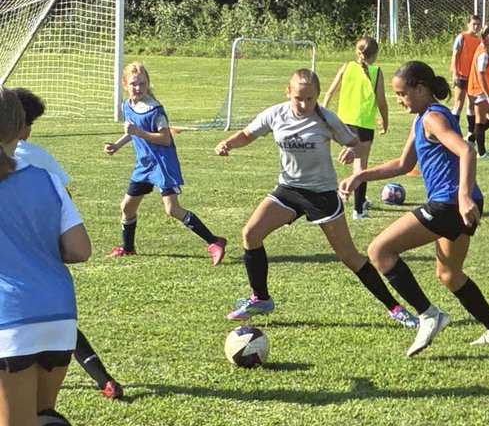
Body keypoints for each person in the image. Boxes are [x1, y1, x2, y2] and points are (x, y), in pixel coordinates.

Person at [0, 88, 123, 426]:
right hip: (59, 315)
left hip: (9, 319)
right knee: (42, 410)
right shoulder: (46, 180)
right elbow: (79, 249)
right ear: (20, 127)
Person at [214, 68, 418, 326]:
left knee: (349, 257)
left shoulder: (326, 119)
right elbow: (246, 134)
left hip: (321, 194)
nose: (304, 104)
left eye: (310, 99)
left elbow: (357, 143)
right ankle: (261, 299)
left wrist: (351, 151)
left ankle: (395, 307)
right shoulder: (275, 114)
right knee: (250, 234)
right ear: (288, 93)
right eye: (298, 98)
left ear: (317, 96)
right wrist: (228, 144)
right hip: (288, 190)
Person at [342, 61, 489, 357]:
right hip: (463, 204)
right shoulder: (422, 118)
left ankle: (428, 314)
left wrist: (462, 196)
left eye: (402, 93)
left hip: (449, 204)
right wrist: (361, 175)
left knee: (379, 251)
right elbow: (403, 164)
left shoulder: (433, 118)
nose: (399, 100)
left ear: (421, 89)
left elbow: (466, 151)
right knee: (449, 274)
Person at [14, 89, 124, 401]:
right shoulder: (37, 157)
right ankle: (104, 379)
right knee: (56, 318)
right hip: (44, 254)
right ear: (26, 126)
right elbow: (66, 203)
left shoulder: (22, 155)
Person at [103, 62, 227, 265]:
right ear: (125, 84)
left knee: (172, 209)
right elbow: (131, 132)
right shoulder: (127, 105)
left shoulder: (155, 110)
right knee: (127, 207)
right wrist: (117, 146)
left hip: (162, 164)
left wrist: (139, 133)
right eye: (134, 83)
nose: (138, 88)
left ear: (148, 84)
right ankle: (128, 249)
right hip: (144, 165)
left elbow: (165, 139)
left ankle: (215, 242)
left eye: (142, 83)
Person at [323, 36, 389, 220]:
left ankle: (359, 199)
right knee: (361, 167)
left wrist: (322, 114)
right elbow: (381, 102)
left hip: (342, 123)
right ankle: (358, 210)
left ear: (356, 51)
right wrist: (385, 121)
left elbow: (330, 92)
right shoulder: (376, 72)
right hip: (363, 124)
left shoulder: (347, 67)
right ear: (375, 55)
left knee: (354, 163)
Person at [466, 26, 489, 160]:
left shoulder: (483, 50)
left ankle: (471, 138)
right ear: (488, 36)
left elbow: (487, 75)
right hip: (479, 91)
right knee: (480, 121)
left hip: (481, 90)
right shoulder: (482, 53)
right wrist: (488, 96)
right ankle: (481, 153)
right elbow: (480, 75)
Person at [449, 14, 483, 139]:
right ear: (468, 24)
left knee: (472, 104)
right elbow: (455, 55)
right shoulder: (462, 37)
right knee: (458, 103)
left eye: (478, 24)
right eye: (474, 24)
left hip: (472, 77)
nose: (476, 26)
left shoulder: (479, 40)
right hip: (462, 75)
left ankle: (471, 132)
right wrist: (455, 73)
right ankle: (453, 130)